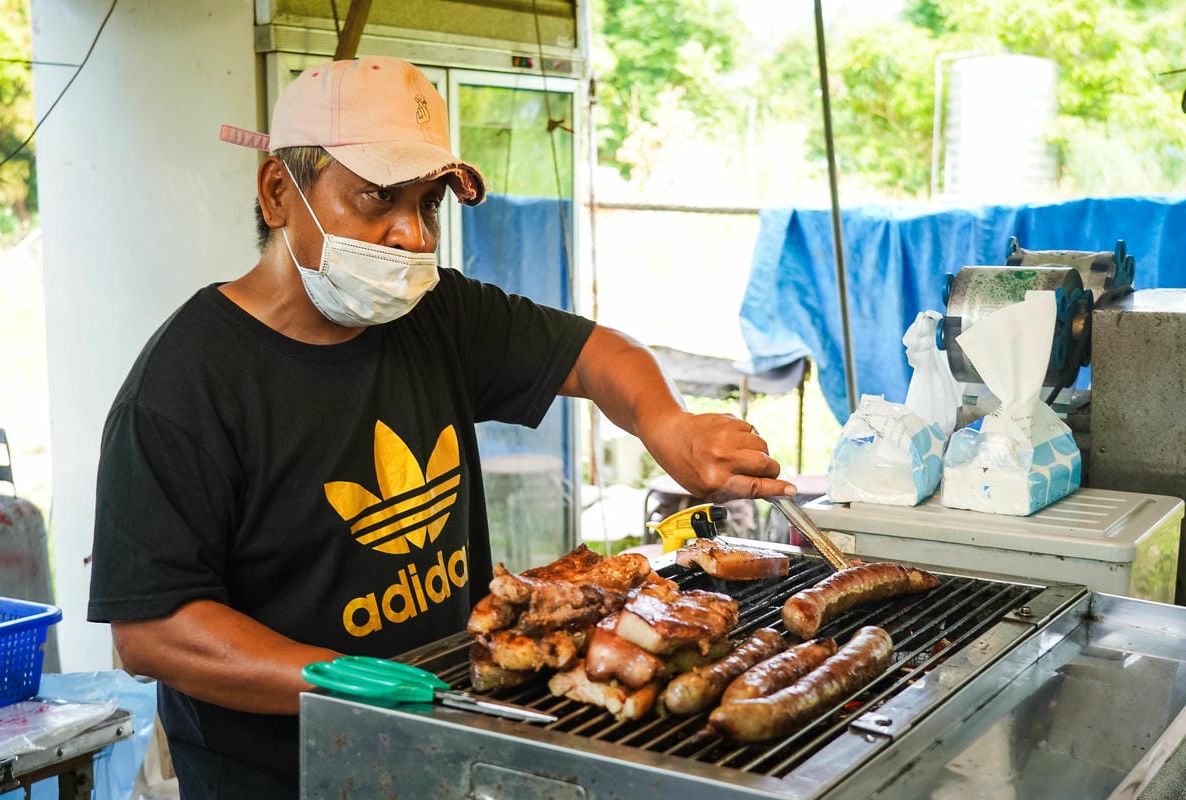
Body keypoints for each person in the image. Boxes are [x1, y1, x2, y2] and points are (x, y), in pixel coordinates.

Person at [87, 56, 796, 798]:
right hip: (287, 776)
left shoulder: (435, 317)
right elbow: (155, 630)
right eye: (377, 199)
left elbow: (596, 357)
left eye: (428, 204)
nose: (414, 237)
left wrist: (669, 425)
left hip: (449, 752)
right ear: (277, 192)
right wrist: (340, 680)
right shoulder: (185, 386)